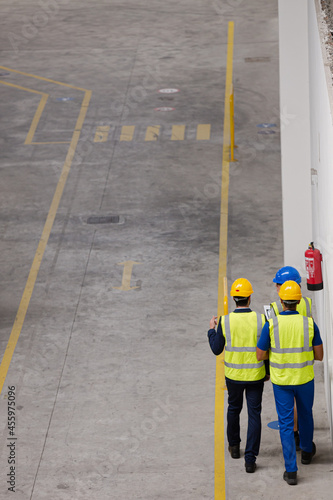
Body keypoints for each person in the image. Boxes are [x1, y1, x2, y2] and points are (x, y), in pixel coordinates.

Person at [257, 280, 323, 486]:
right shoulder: (309, 324)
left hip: (282, 381)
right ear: (298, 301)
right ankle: (306, 453)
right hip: (304, 379)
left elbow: (260, 355)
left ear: (281, 301)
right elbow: (319, 355)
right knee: (305, 415)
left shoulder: (271, 324)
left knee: (286, 424)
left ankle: (291, 471)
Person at [208, 278, 267, 473]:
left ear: (234, 299)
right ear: (250, 298)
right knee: (254, 414)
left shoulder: (225, 321)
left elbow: (217, 349)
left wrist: (211, 330)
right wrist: (266, 371)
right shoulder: (260, 319)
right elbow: (266, 348)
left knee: (234, 409)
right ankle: (250, 459)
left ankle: (234, 447)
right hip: (256, 375)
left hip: (233, 376)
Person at [269, 266, 312, 450]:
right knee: (304, 408)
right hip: (303, 363)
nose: (276, 288)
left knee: (288, 408)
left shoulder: (274, 306)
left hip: (282, 365)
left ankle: (294, 437)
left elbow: (268, 336)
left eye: (278, 285)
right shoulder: (307, 303)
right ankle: (306, 446)